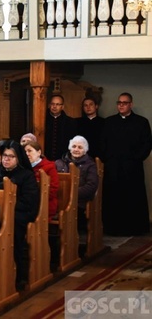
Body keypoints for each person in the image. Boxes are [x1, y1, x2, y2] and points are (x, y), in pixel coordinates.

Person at [0, 140, 39, 291]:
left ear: (18, 159)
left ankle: (18, 276)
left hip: (20, 214)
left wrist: (8, 208)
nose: (6, 159)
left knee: (13, 227)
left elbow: (28, 203)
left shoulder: (27, 176)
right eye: (4, 156)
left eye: (11, 156)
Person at [100, 92, 152, 236]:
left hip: (132, 168)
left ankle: (135, 228)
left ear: (131, 104)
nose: (121, 105)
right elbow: (102, 143)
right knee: (113, 198)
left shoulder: (141, 122)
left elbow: (146, 145)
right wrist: (107, 159)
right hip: (113, 168)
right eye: (119, 103)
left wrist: (135, 159)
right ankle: (112, 228)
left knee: (133, 198)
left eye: (124, 102)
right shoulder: (109, 122)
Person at [55, 136, 98, 232]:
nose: (76, 149)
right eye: (74, 146)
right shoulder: (58, 163)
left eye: (80, 147)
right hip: (59, 200)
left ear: (85, 150)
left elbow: (91, 186)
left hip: (79, 202)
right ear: (70, 148)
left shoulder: (90, 166)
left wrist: (72, 194)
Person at [24, 141, 59, 219]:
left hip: (45, 203)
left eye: (30, 151)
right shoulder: (24, 168)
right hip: (28, 204)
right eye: (25, 152)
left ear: (39, 152)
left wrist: (35, 199)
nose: (27, 154)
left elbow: (53, 189)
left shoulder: (49, 167)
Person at [44, 94, 77, 161]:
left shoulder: (70, 122)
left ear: (62, 107)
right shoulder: (42, 120)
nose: (54, 106)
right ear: (49, 105)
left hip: (64, 158)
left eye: (58, 104)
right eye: (52, 104)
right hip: (45, 157)